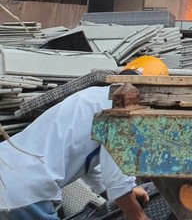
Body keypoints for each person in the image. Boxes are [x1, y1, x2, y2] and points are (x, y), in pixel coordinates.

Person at [0, 55, 169, 220]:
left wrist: (124, 191)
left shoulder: (93, 96)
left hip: (7, 172)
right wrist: (138, 215)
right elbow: (118, 182)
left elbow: (85, 154)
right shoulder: (123, 111)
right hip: (24, 192)